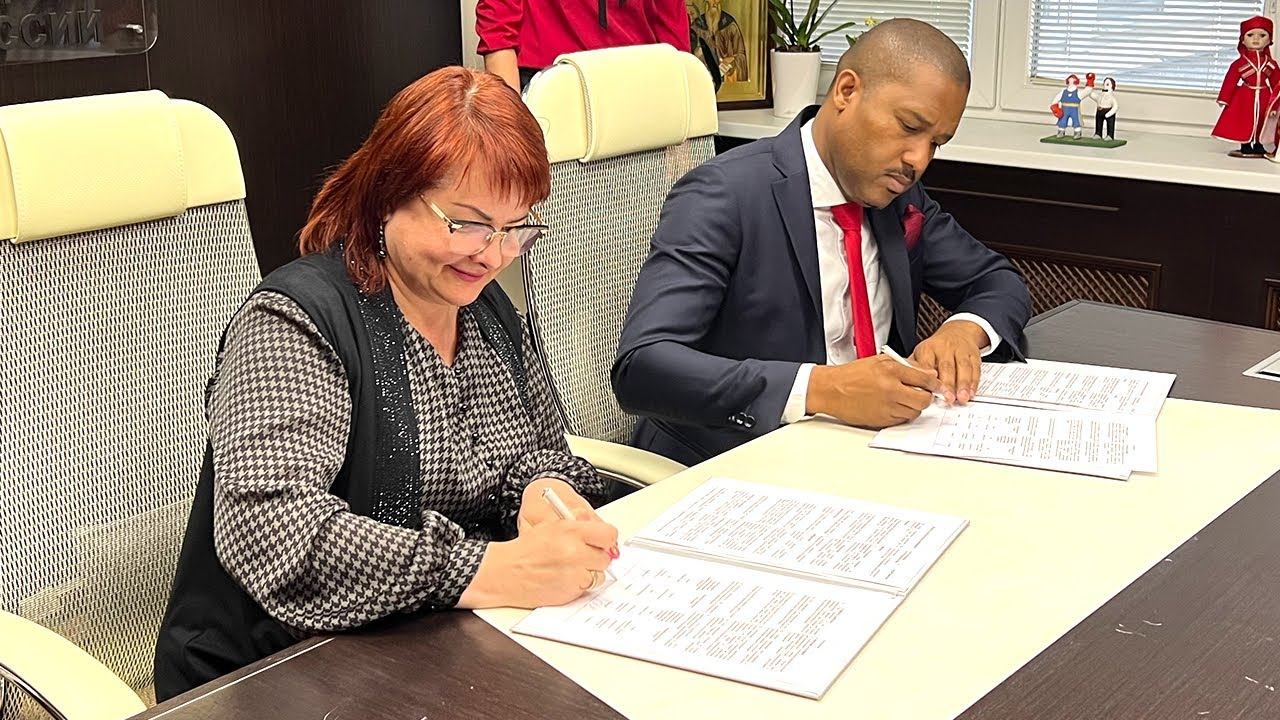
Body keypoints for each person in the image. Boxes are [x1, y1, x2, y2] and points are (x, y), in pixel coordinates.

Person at [154, 66, 618, 699]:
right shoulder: (295, 322)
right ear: (386, 197)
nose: (492, 255)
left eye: (515, 229)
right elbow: (278, 537)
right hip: (284, 675)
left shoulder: (487, 310)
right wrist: (485, 569)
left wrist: (542, 490)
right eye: (466, 224)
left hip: (439, 652)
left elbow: (538, 448)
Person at [612, 19, 1031, 465]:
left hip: (874, 455)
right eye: (910, 126)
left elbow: (997, 281)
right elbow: (644, 366)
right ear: (847, 91)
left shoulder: (898, 197)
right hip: (734, 462)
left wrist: (963, 330)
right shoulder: (725, 196)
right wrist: (822, 389)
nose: (919, 160)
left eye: (936, 143)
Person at [476, 0, 690, 92]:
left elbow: (672, 22)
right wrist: (511, 124)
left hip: (640, 85)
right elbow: (498, 23)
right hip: (553, 87)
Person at [1212, 15, 1277, 158]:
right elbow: (1230, 81)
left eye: (1262, 35)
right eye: (1250, 35)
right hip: (1245, 96)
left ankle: (1259, 144)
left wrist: (1276, 103)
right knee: (1244, 120)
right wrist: (1224, 98)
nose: (1256, 39)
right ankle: (1245, 145)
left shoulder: (1270, 64)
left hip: (1265, 96)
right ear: (1242, 39)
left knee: (1262, 121)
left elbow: (1276, 83)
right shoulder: (1239, 63)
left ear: (1269, 40)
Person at [691, 0, 748, 83]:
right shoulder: (697, 26)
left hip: (726, 77)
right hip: (704, 78)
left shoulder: (730, 25)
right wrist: (698, 54)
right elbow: (689, 54)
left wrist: (732, 60)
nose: (715, 2)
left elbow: (741, 55)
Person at [1050, 73, 1094, 139]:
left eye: (1073, 80)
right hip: (1064, 109)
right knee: (1062, 121)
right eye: (1070, 80)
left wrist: (1090, 81)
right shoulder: (1063, 92)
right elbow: (1056, 100)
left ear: (1076, 81)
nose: (1071, 82)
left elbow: (1087, 91)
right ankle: (1061, 131)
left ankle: (1077, 132)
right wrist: (1055, 108)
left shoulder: (1078, 93)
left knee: (1076, 121)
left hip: (1074, 109)